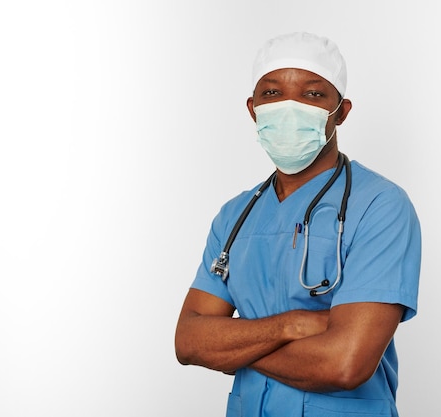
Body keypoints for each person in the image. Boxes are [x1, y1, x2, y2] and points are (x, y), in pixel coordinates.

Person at [175, 32, 421, 417]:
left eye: (312, 94)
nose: (289, 107)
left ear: (340, 111)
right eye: (272, 94)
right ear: (253, 108)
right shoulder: (235, 216)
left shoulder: (380, 205)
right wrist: (291, 325)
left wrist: (231, 346)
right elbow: (188, 342)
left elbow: (346, 363)